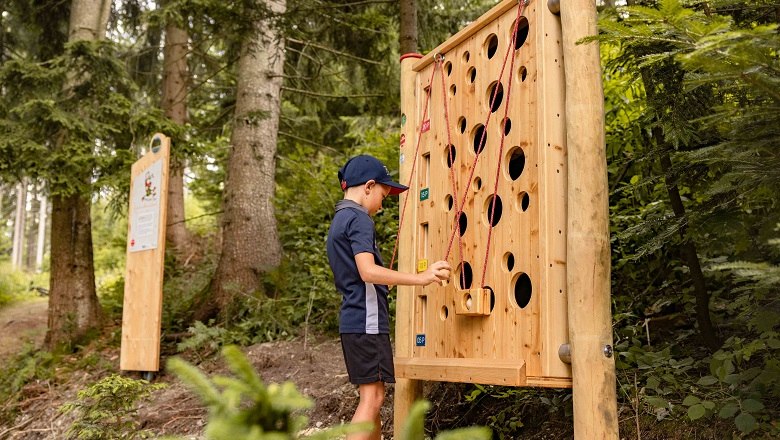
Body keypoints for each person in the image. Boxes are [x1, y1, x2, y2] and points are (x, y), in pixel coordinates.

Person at [326, 154, 451, 440]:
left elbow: (358, 277)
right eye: (383, 194)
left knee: (374, 397)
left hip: (354, 321)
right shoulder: (359, 219)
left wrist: (387, 283)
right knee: (373, 400)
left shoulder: (340, 219)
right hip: (366, 322)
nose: (382, 205)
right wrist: (422, 277)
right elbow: (368, 272)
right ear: (368, 186)